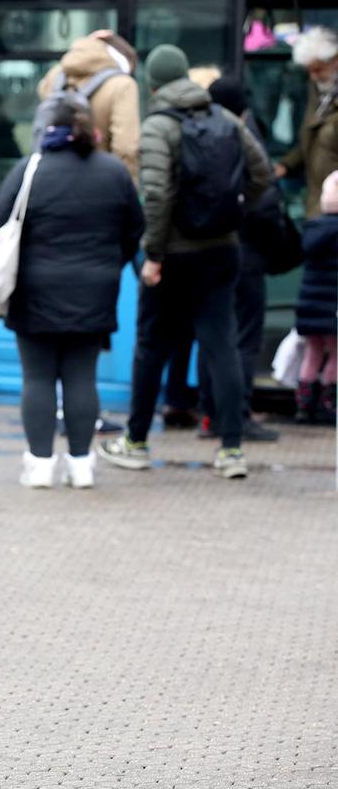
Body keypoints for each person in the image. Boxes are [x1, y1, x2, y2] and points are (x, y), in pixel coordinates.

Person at [99, 45, 270, 480]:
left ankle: (136, 442)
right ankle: (232, 451)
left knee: (152, 346)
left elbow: (155, 196)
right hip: (223, 251)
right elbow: (262, 174)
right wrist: (231, 214)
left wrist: (153, 255)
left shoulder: (158, 126)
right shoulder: (228, 121)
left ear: (153, 83)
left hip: (173, 255)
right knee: (222, 345)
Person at [0, 96, 143, 489]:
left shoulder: (29, 170)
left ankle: (40, 466)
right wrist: (107, 265)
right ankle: (81, 465)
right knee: (82, 378)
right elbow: (134, 231)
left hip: (34, 291)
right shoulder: (113, 171)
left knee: (37, 379)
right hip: (95, 291)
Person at [193, 77, 283, 442]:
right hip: (244, 252)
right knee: (244, 337)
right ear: (243, 109)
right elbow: (265, 203)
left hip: (204, 250)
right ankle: (238, 416)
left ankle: (208, 414)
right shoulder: (243, 136)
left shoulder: (194, 132)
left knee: (212, 334)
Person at [37, 30, 140, 181]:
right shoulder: (123, 85)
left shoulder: (56, 77)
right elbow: (126, 148)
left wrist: (88, 46)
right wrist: (128, 191)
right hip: (98, 184)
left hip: (51, 180)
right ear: (124, 62)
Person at [278, 27, 338, 219]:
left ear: (335, 62)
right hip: (318, 199)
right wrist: (287, 164)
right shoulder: (318, 94)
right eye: (310, 71)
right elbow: (311, 139)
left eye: (318, 69)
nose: (314, 77)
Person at [294, 170, 338, 424]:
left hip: (310, 305)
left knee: (312, 352)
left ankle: (304, 404)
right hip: (332, 306)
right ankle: (328, 402)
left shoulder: (313, 229)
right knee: (335, 353)